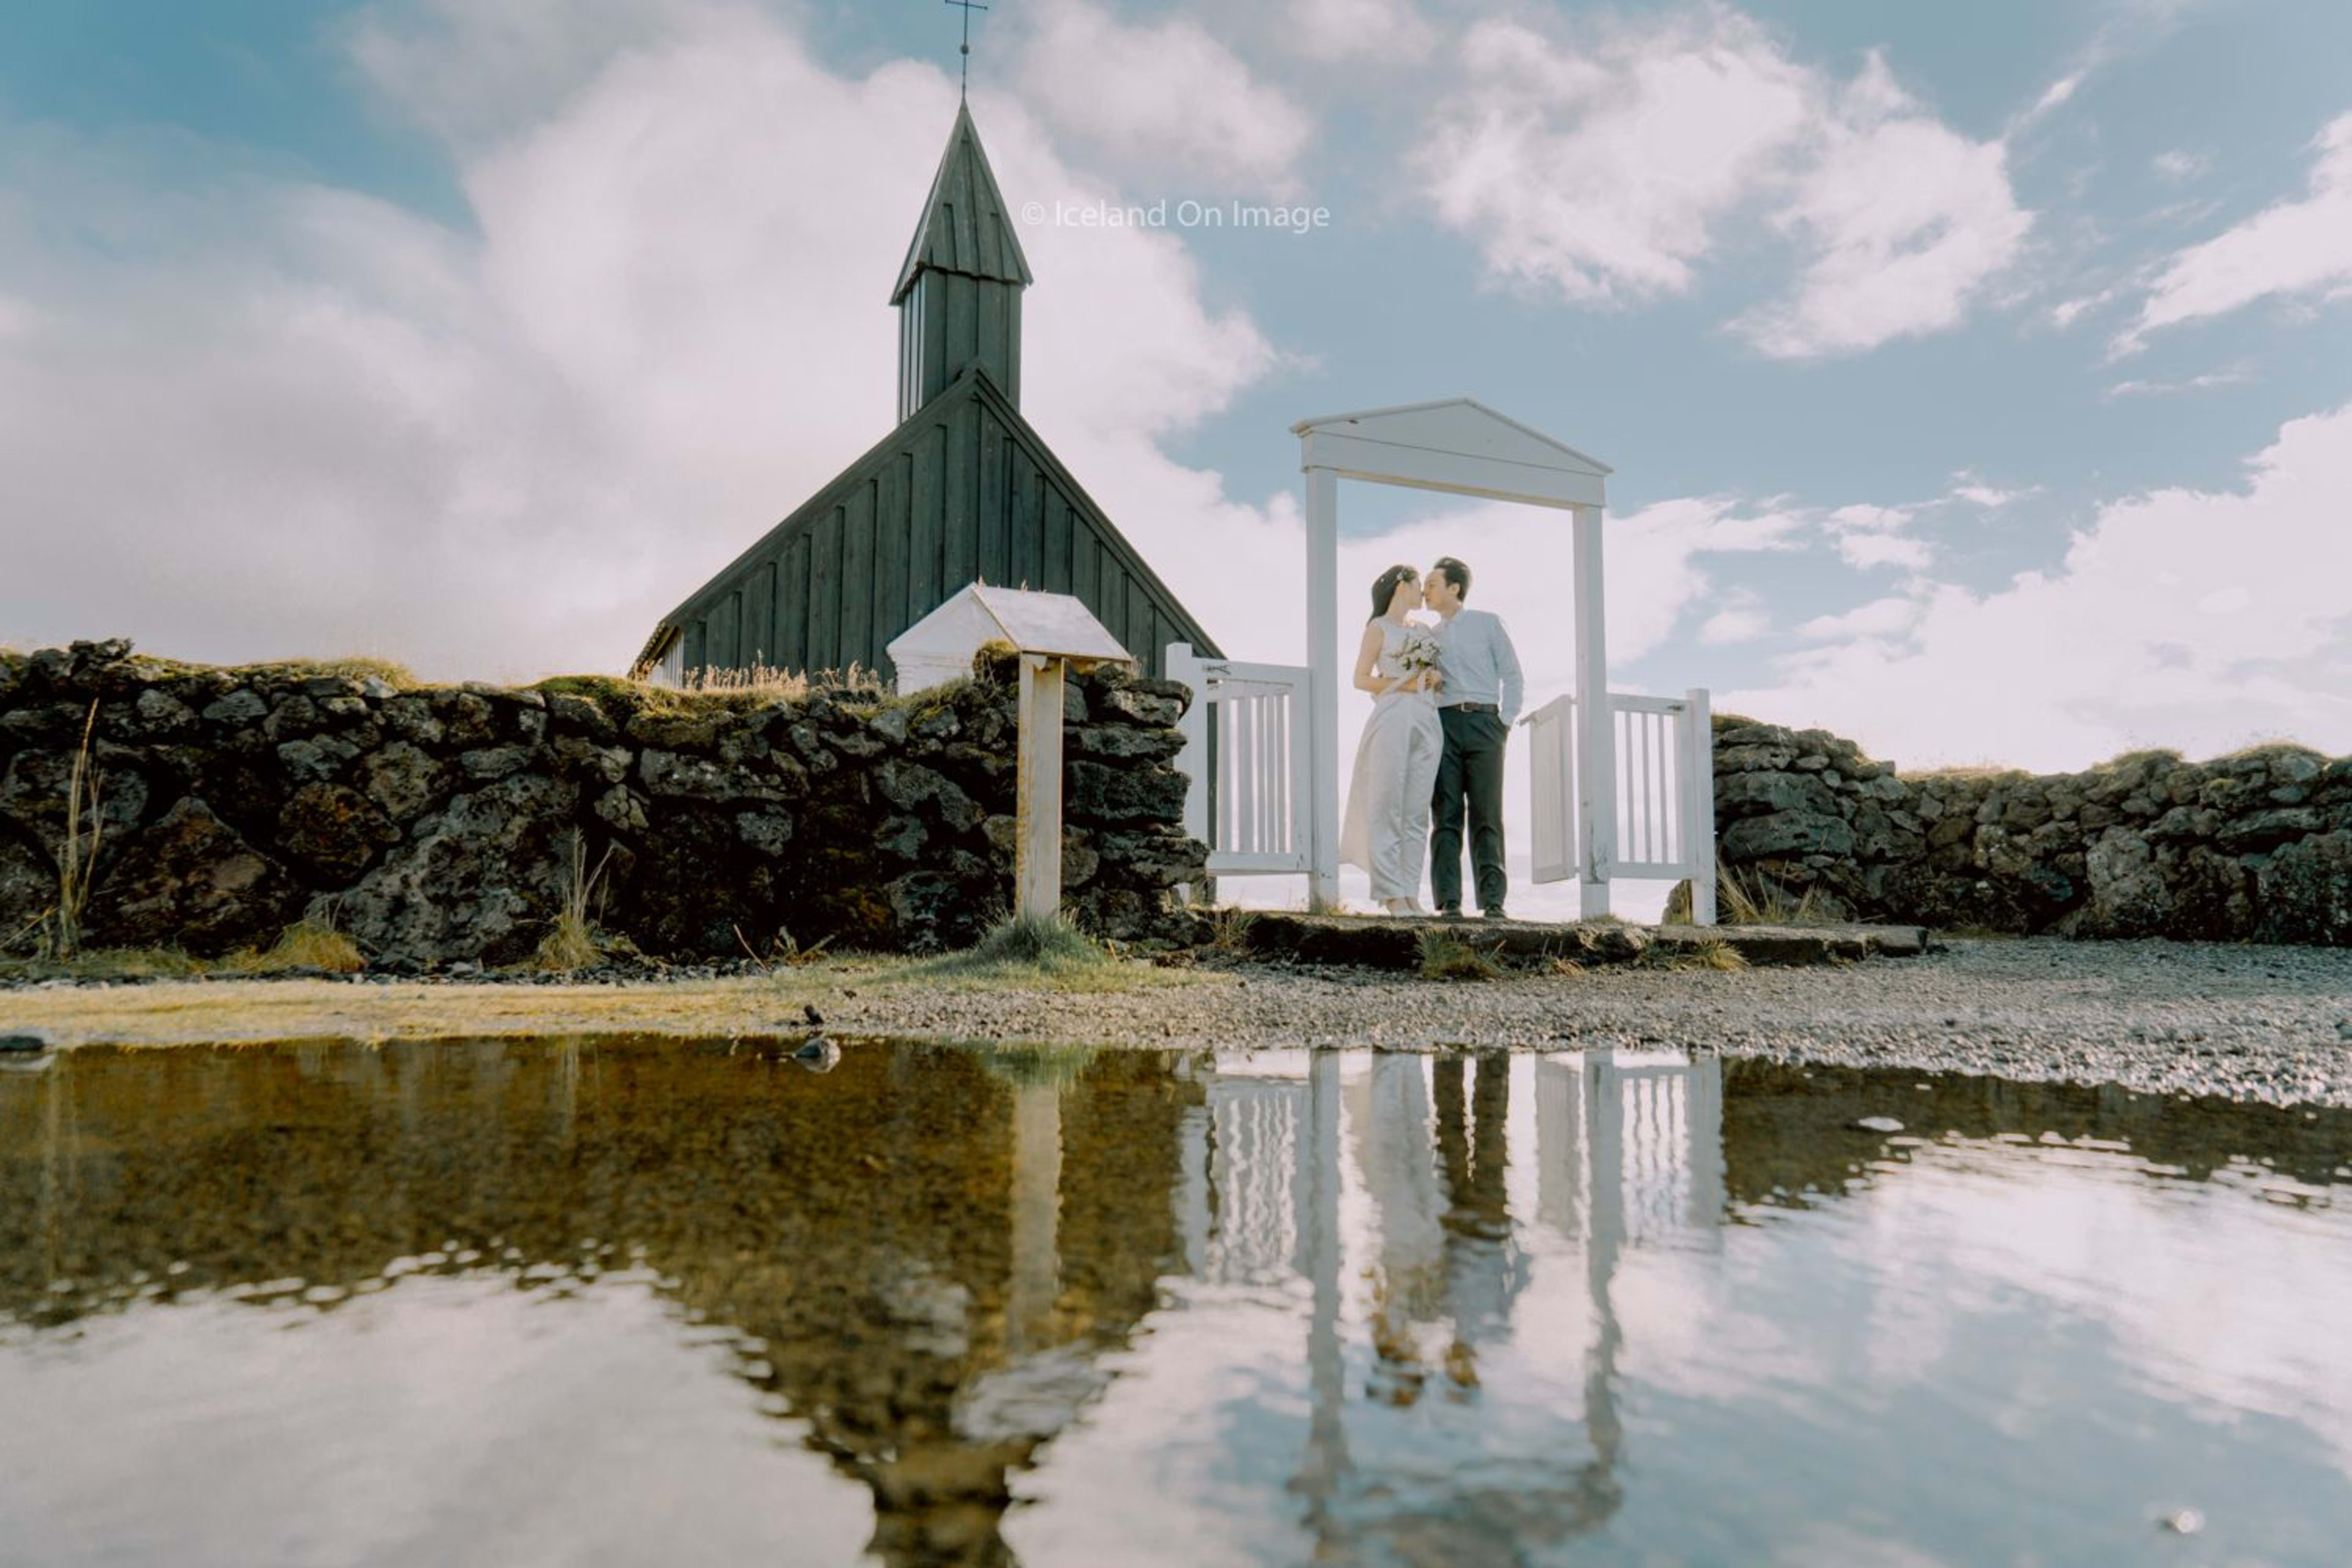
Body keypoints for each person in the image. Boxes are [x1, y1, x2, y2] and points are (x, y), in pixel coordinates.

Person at [1338, 564, 1445, 916]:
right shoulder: (1378, 628)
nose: (1423, 593)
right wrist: (1405, 684)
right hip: (1393, 715)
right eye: (1418, 585)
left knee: (1416, 812)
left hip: (1427, 717)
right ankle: (1390, 892)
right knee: (1387, 805)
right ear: (1402, 586)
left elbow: (1435, 676)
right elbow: (1360, 679)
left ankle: (1411, 891)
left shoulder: (1425, 630)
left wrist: (1434, 677)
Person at [1425, 556, 1523, 919]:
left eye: (1432, 584)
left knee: (1487, 813)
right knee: (1446, 813)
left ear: (1455, 587)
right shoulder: (1427, 636)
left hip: (1486, 724)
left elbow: (1512, 675)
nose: (1425, 591)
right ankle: (1449, 902)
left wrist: (1504, 723)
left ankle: (1494, 902)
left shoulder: (1487, 623)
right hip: (1444, 723)